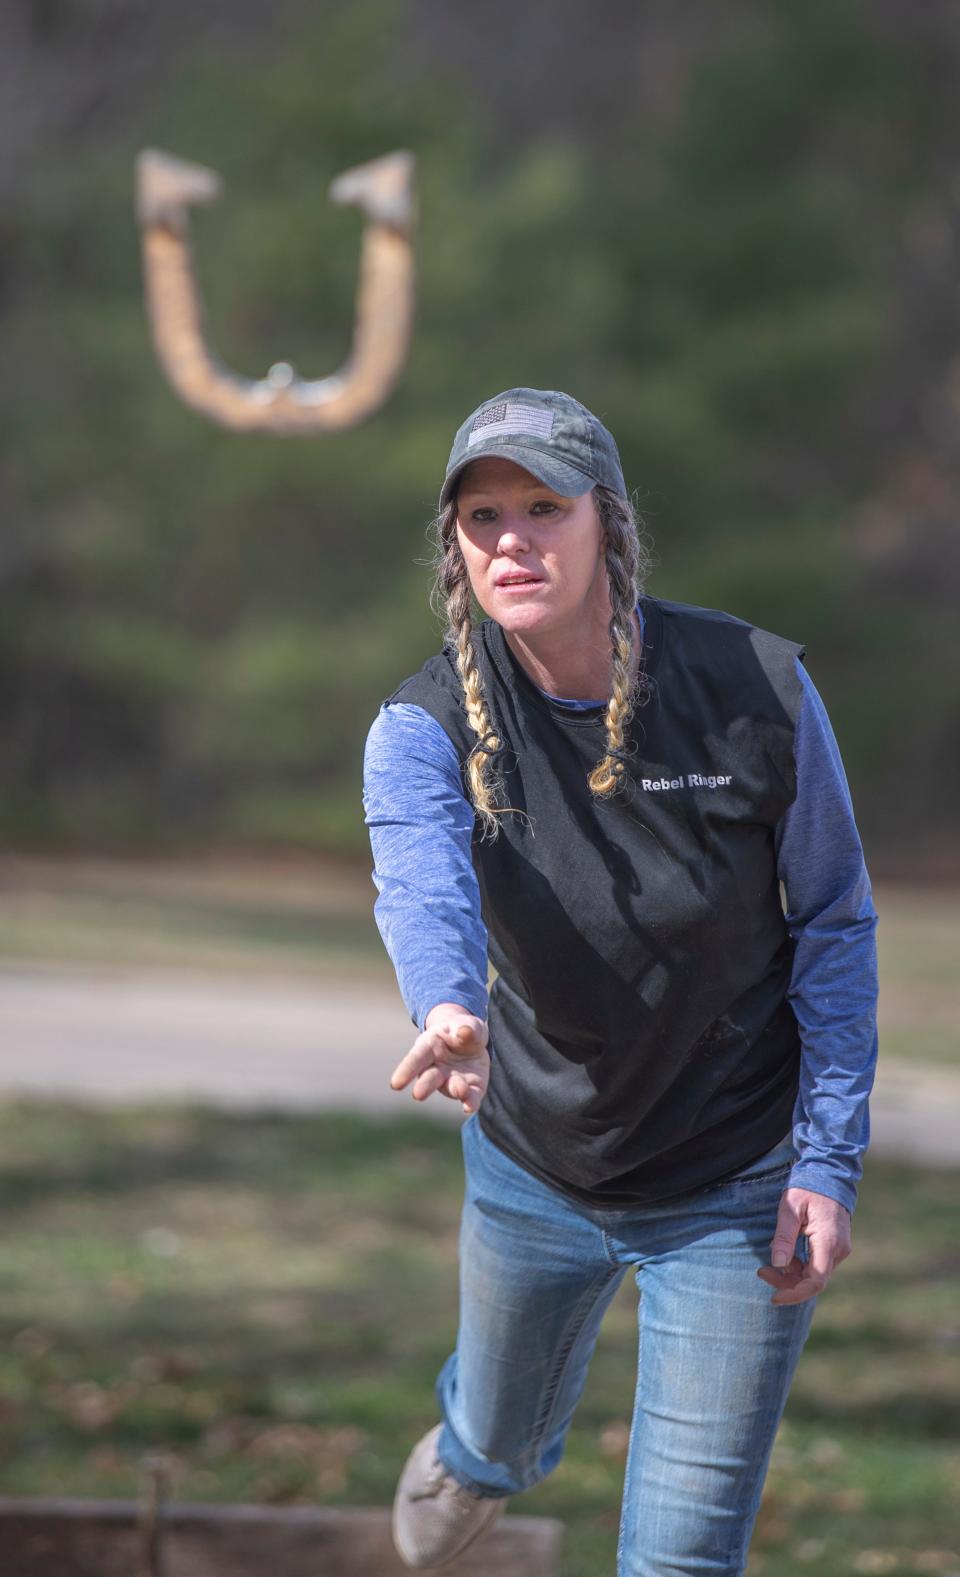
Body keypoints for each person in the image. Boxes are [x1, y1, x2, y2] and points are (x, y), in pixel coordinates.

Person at [362, 388, 878, 1577]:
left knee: (682, 1557)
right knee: (496, 1433)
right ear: (456, 543)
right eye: (483, 514)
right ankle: (478, 1459)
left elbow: (835, 922)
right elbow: (421, 878)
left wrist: (826, 1156)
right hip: (535, 1161)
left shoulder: (757, 686)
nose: (512, 538)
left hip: (732, 1180)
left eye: (544, 506)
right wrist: (447, 1004)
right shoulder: (424, 719)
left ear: (611, 525)